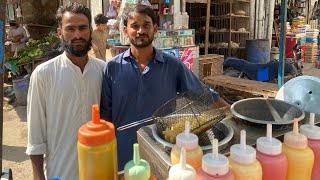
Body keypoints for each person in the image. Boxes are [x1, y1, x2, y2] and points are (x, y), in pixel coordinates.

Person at [100, 4, 228, 170]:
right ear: (125, 30)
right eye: (135, 26)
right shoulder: (112, 67)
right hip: (123, 157)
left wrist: (230, 110)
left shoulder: (172, 65)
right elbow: (105, 117)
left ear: (155, 29)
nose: (140, 31)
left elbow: (201, 93)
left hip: (162, 152)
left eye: (146, 25)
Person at [26, 2, 105, 180]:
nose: (77, 35)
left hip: (100, 172)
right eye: (70, 29)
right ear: (59, 32)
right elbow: (35, 138)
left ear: (90, 31)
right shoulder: (44, 74)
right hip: (61, 174)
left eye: (82, 28)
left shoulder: (103, 70)